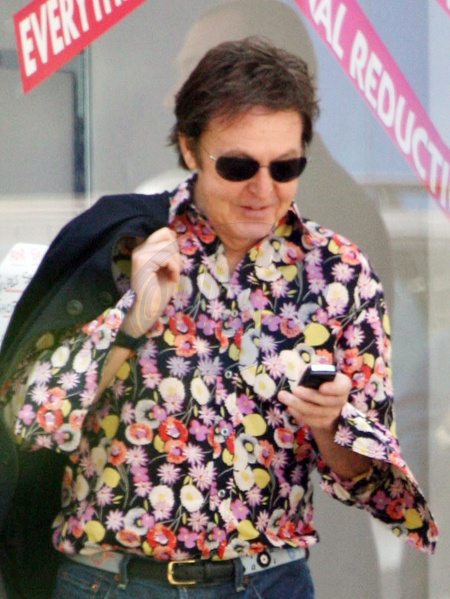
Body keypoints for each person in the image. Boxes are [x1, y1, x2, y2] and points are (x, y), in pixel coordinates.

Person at [0, 37, 438, 599]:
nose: (263, 190)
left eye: (285, 167)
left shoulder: (338, 274)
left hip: (267, 582)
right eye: (237, 166)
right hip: (115, 584)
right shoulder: (123, 241)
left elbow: (369, 482)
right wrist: (131, 322)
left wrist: (331, 425)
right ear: (189, 148)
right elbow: (30, 421)